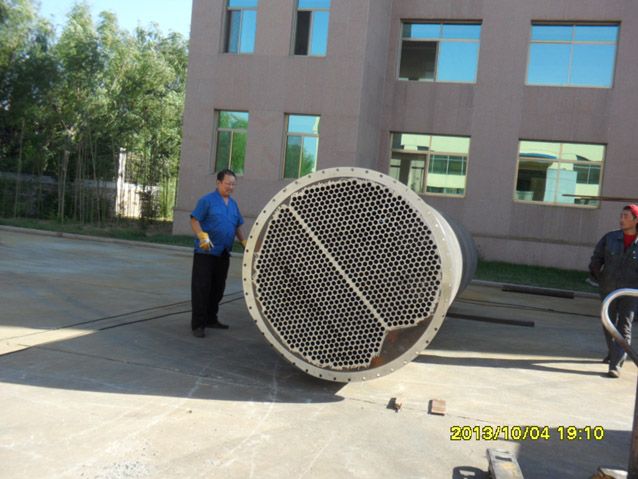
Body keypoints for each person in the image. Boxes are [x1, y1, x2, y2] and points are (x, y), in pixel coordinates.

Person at [190, 169, 246, 338]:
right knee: (202, 288)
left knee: (218, 288)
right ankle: (198, 324)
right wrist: (201, 235)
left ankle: (211, 319)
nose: (231, 187)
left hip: (223, 252)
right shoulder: (206, 201)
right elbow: (194, 220)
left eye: (233, 184)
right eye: (228, 183)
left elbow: (237, 226)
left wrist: (244, 242)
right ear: (218, 183)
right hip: (206, 252)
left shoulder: (233, 204)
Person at [589, 204, 638, 378]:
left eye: (626, 216)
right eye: (621, 215)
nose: (621, 219)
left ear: (636, 220)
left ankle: (615, 365)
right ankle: (614, 351)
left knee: (624, 326)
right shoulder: (610, 238)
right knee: (607, 322)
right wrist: (598, 275)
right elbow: (596, 258)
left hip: (630, 292)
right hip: (608, 289)